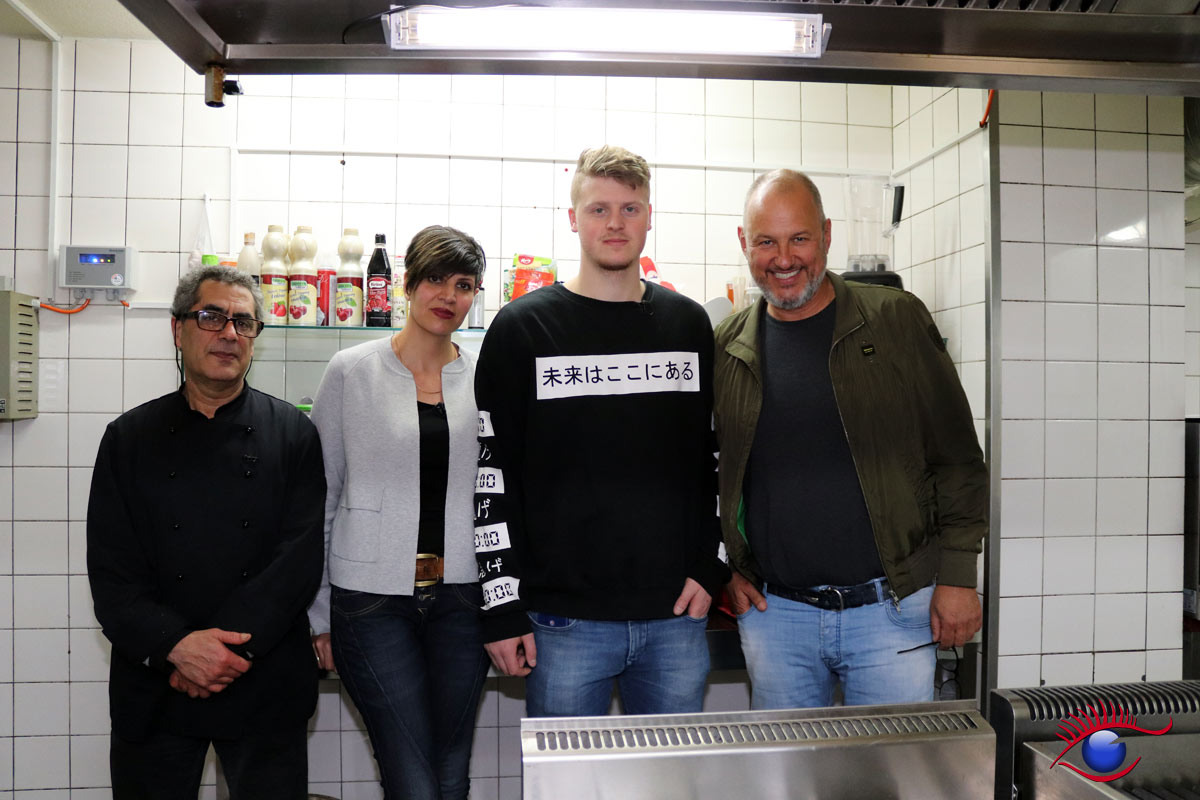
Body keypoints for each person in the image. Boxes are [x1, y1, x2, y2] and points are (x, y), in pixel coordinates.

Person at [714, 169, 988, 710]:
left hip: (891, 612)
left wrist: (958, 575)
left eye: (800, 238)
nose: (784, 258)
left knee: (892, 781)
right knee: (786, 784)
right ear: (745, 244)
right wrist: (723, 570)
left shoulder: (895, 320)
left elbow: (957, 457)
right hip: (777, 620)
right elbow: (708, 471)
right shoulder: (728, 344)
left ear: (827, 236)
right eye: (766, 241)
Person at [474, 145, 729, 717]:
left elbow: (710, 464)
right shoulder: (522, 329)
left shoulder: (688, 326)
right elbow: (492, 478)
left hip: (676, 618)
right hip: (563, 621)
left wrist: (710, 567)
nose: (615, 223)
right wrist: (501, 607)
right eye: (599, 209)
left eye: (630, 208)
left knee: (670, 787)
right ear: (573, 219)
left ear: (649, 215)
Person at [86, 265, 325, 798]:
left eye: (244, 323)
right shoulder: (128, 439)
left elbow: (298, 561)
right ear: (178, 329)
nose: (230, 334)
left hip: (260, 677)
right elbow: (112, 572)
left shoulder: (294, 434)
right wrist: (177, 646)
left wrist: (218, 656)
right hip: (157, 680)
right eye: (212, 317)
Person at [309, 225, 490, 800]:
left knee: (451, 771)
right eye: (435, 279)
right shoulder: (350, 370)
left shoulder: (485, 374)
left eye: (463, 284)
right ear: (407, 284)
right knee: (412, 777)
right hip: (370, 601)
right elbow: (322, 495)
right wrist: (319, 613)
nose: (448, 295)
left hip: (463, 596)